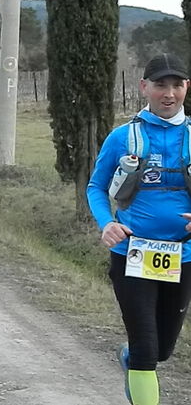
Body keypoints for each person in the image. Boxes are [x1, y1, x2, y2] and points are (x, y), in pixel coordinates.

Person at [87, 53, 191, 405]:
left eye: (176, 85)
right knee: (147, 350)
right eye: (161, 85)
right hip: (132, 253)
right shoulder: (122, 137)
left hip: (183, 255)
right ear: (144, 87)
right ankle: (138, 360)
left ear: (186, 88)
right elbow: (96, 188)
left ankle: (130, 357)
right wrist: (107, 224)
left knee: (161, 350)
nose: (169, 93)